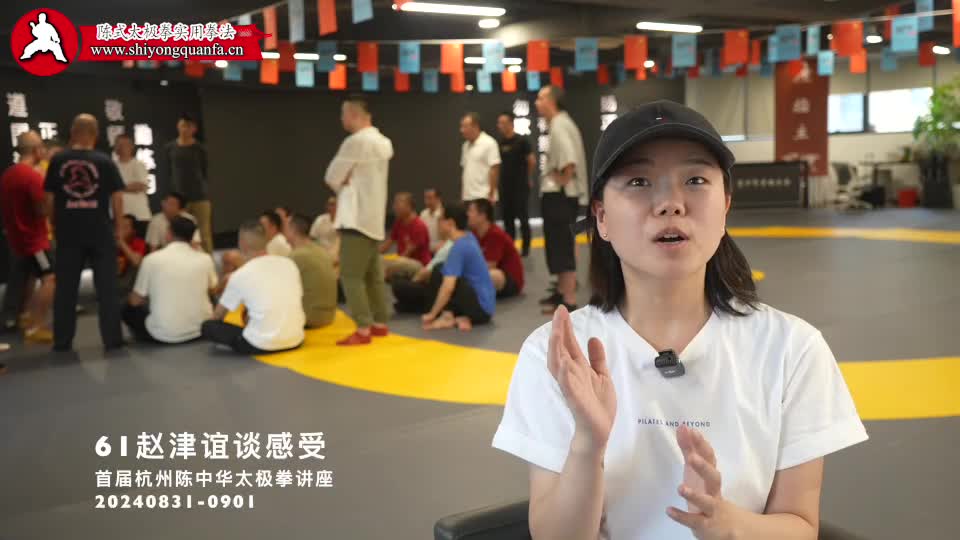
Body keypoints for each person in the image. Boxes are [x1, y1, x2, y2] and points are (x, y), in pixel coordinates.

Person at [491, 101, 868, 539]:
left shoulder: (792, 350)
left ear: (725, 205)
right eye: (638, 181)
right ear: (601, 217)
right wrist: (587, 445)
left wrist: (727, 526)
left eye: (695, 180)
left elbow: (800, 525)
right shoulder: (558, 355)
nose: (670, 203)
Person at [44, 114, 125, 351]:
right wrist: (119, 228)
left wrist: (53, 224)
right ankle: (112, 340)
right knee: (107, 288)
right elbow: (117, 197)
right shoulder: (104, 161)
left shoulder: (58, 160)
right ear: (95, 134)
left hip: (68, 232)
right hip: (100, 231)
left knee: (66, 289)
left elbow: (49, 198)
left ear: (72, 133)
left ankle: (62, 341)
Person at [324, 96, 394, 346]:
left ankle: (363, 327)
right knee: (373, 275)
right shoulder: (383, 142)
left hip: (355, 217)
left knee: (351, 276)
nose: (341, 119)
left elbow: (332, 177)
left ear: (354, 115)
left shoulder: (355, 142)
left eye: (343, 114)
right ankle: (380, 322)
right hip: (374, 217)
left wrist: (345, 180)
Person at [202, 220, 304, 354]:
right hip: (296, 338)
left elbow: (218, 316)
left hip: (261, 344)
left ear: (242, 244)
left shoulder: (240, 275)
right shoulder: (289, 264)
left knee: (208, 326)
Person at [535, 85, 588, 314]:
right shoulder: (561, 123)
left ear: (552, 101)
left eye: (541, 98)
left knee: (562, 246)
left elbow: (569, 162)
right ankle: (561, 291)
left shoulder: (559, 124)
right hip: (562, 195)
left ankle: (568, 299)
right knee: (558, 244)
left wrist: (560, 180)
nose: (537, 103)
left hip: (560, 196)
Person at [124, 217, 218, 343]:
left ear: (169, 234)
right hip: (201, 330)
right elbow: (213, 290)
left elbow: (135, 301)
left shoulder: (151, 260)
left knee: (126, 307)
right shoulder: (205, 258)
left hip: (163, 335)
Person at [0, 131, 54, 342]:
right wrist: (52, 200)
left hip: (17, 239)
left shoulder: (7, 175)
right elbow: (41, 210)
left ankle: (24, 316)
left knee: (27, 279)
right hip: (34, 240)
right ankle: (36, 326)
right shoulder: (32, 177)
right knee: (51, 279)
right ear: (36, 150)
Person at [421, 204, 495, 332]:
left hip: (481, 310)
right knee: (441, 269)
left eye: (440, 219)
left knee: (440, 272)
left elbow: (448, 288)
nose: (438, 223)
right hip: (485, 307)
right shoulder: (468, 237)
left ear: (450, 223)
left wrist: (432, 314)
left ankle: (448, 317)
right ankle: (456, 315)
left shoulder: (459, 247)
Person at [164, 114, 212, 252]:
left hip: (199, 196)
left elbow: (204, 170)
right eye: (182, 125)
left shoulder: (200, 148)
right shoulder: (170, 148)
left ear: (194, 129)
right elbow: (168, 171)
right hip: (178, 198)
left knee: (204, 233)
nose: (185, 129)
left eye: (188, 126)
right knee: (179, 232)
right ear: (178, 127)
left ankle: (207, 260)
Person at [286, 213, 337, 329]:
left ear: (292, 230)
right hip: (329, 316)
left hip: (311, 318)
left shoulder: (296, 256)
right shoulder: (321, 251)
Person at [496, 112, 536, 256]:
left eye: (502, 122)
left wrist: (527, 177)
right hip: (505, 187)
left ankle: (526, 247)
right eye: (499, 123)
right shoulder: (499, 143)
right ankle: (510, 247)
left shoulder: (522, 141)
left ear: (510, 123)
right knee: (508, 219)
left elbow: (531, 161)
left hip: (520, 186)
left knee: (523, 217)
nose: (500, 126)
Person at [467, 198, 524, 299]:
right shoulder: (474, 234)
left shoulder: (495, 235)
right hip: (490, 274)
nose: (467, 214)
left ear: (482, 216)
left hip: (509, 280)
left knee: (489, 275)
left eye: (471, 211)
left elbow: (489, 266)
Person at [380, 192, 431, 282]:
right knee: (379, 260)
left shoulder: (418, 226)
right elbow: (388, 243)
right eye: (395, 204)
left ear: (409, 206)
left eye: (398, 204)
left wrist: (392, 265)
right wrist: (374, 254)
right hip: (402, 259)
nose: (394, 208)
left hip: (419, 264)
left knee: (385, 263)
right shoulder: (399, 223)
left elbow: (408, 253)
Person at [113, 134, 152, 237]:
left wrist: (117, 186)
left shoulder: (139, 165)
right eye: (119, 145)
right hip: (118, 215)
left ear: (132, 147)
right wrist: (128, 186)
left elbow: (141, 186)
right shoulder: (111, 166)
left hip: (139, 215)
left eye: (126, 144)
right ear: (115, 147)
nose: (122, 148)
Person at [459, 113, 501, 203]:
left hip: (483, 195)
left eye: (465, 127)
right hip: (468, 196)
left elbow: (495, 169)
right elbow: (465, 171)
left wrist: (491, 193)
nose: (462, 130)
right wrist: (463, 194)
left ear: (475, 126)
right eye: (461, 127)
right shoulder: (465, 146)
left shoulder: (489, 143)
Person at [115, 214, 147, 305]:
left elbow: (136, 262)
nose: (121, 230)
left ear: (133, 231)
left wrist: (121, 242)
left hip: (130, 283)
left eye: (125, 227)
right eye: (120, 227)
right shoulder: (110, 242)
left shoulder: (139, 242)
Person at [310, 196, 340, 260]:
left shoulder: (343, 222)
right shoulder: (320, 219)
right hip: (320, 255)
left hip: (337, 257)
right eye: (329, 204)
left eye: (334, 204)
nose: (331, 207)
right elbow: (312, 237)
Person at [420, 188, 444, 253]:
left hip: (439, 251)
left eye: (430, 198)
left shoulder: (443, 214)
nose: (427, 201)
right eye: (425, 198)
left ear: (438, 199)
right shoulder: (423, 213)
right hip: (425, 251)